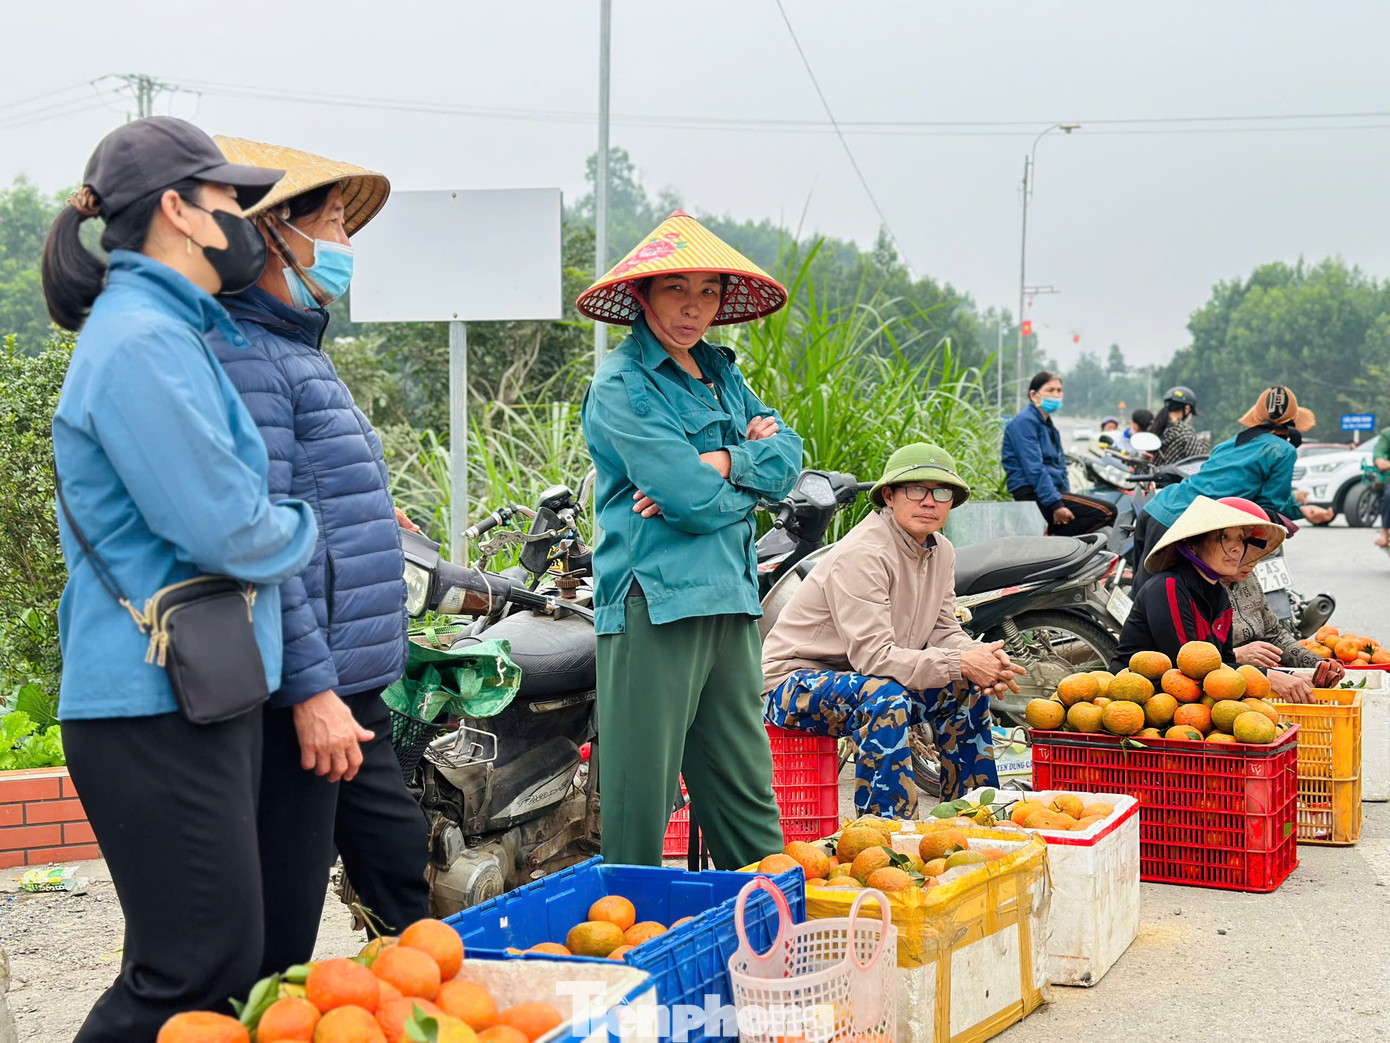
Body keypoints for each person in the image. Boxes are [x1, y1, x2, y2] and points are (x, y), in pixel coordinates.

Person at [42, 117, 319, 1041]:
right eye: (231, 200)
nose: (243, 217)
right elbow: (225, 526)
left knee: (214, 962)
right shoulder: (140, 344)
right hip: (149, 705)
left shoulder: (165, 329)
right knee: (192, 967)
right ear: (179, 210)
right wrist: (302, 526)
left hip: (188, 693)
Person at [205, 137, 428, 973]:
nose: (343, 242)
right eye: (331, 220)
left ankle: (397, 1010)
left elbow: (309, 497)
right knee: (282, 916)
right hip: (308, 685)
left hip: (347, 677)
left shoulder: (294, 347)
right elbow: (263, 536)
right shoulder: (248, 356)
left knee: (399, 861)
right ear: (273, 235)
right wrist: (310, 692)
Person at [577, 210, 803, 869]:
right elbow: (688, 498)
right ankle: (632, 946)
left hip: (732, 599)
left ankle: (772, 940)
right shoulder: (622, 385)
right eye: (677, 289)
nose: (694, 307)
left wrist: (722, 463)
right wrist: (734, 480)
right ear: (642, 296)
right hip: (656, 602)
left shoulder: (721, 372)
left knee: (747, 796)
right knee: (640, 803)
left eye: (709, 291)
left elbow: (789, 455)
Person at [761, 443, 1024, 816]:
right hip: (796, 684)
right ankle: (887, 838)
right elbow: (873, 657)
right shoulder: (864, 554)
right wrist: (960, 662)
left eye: (941, 492)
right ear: (889, 495)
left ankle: (972, 818)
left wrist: (981, 661)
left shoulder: (942, 551)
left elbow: (944, 628)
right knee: (885, 698)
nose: (929, 501)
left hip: (867, 676)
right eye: (916, 490)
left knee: (966, 687)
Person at [1132, 386, 1335, 593]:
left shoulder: (1228, 444)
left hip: (1157, 508)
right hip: (1185, 524)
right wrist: (1302, 512)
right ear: (1291, 425)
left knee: (1143, 594)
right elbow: (1269, 507)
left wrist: (1298, 505)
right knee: (1174, 599)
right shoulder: (1284, 450)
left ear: (1256, 418)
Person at [1111, 495, 1285, 672]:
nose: (1236, 548)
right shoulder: (1167, 588)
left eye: (1240, 538)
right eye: (1224, 537)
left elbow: (1225, 662)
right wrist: (1268, 676)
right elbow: (1191, 667)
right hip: (1139, 692)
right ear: (1192, 545)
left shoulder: (1219, 595)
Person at [1219, 497, 1334, 703]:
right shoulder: (1199, 589)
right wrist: (1237, 655)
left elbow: (1274, 634)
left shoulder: (1248, 579)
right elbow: (1189, 661)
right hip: (1221, 690)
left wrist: (1315, 664)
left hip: (1254, 684)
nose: (1252, 562)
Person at [1002, 371, 1118, 535]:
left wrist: (1065, 497)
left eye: (1059, 390)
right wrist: (1057, 505)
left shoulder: (1047, 424)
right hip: (1032, 493)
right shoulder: (1025, 422)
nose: (1056, 395)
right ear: (1034, 395)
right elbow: (1034, 468)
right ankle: (1059, 545)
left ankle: (1058, 543)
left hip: (1050, 492)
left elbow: (1060, 466)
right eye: (1050, 390)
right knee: (1107, 512)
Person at [1149, 385, 1208, 466]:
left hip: (1150, 476)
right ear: (1187, 409)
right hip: (1173, 478)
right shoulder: (1186, 432)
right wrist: (1204, 442)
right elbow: (1198, 463)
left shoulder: (1156, 426)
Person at [1370, 425, 1390, 548]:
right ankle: (1385, 531)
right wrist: (1382, 462)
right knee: (1389, 495)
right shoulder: (1387, 434)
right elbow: (1380, 461)